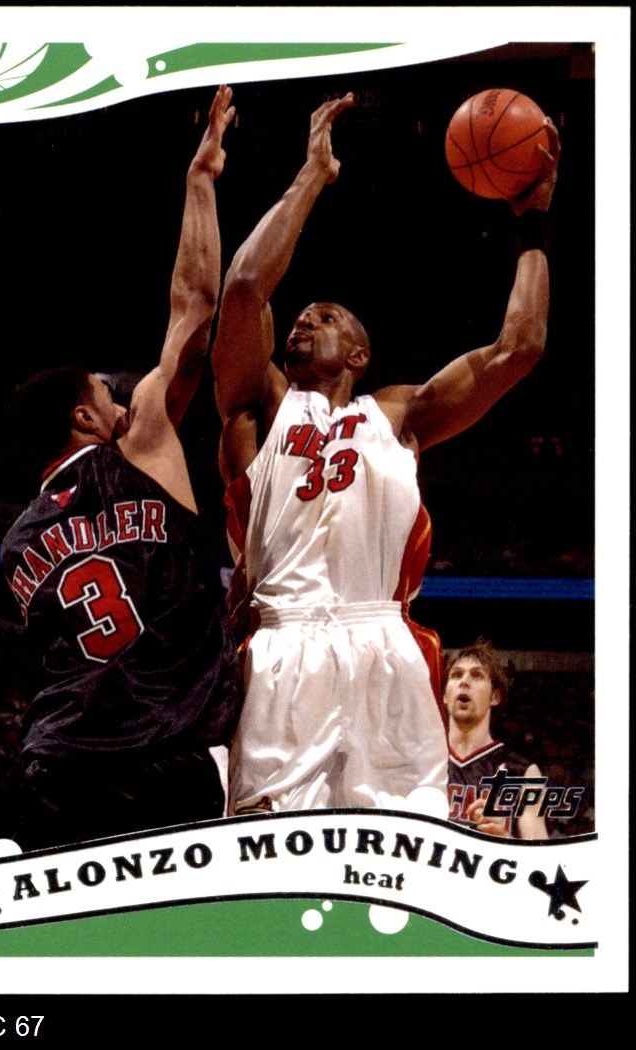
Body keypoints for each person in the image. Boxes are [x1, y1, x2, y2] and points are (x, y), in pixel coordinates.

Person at [212, 93, 560, 816]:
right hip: (282, 644)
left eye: (326, 317)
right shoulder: (261, 407)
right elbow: (244, 287)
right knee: (269, 848)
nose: (305, 319)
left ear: (359, 355)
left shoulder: (397, 415)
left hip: (385, 643)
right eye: (300, 315)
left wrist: (533, 223)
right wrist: (311, 177)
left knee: (407, 845)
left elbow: (519, 349)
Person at [0, 86, 241, 850]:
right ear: (84, 419)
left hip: (54, 763)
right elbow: (195, 304)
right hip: (161, 755)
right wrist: (200, 180)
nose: (124, 405)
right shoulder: (137, 452)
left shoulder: (15, 545)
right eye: (109, 398)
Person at [444, 640, 548, 839]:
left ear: (494, 697)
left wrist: (504, 838)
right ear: (444, 696)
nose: (464, 682)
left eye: (477, 675)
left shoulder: (523, 773)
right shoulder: (420, 763)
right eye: (456, 675)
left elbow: (540, 854)